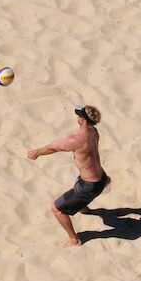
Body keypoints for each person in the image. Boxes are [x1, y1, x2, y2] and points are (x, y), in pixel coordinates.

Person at [26, 105, 108, 247]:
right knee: (78, 182)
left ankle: (74, 240)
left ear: (83, 121)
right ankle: (83, 207)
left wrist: (36, 152)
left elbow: (53, 147)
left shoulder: (75, 140)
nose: (77, 117)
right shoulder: (94, 132)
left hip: (90, 186)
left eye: (79, 116)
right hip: (102, 178)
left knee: (57, 209)